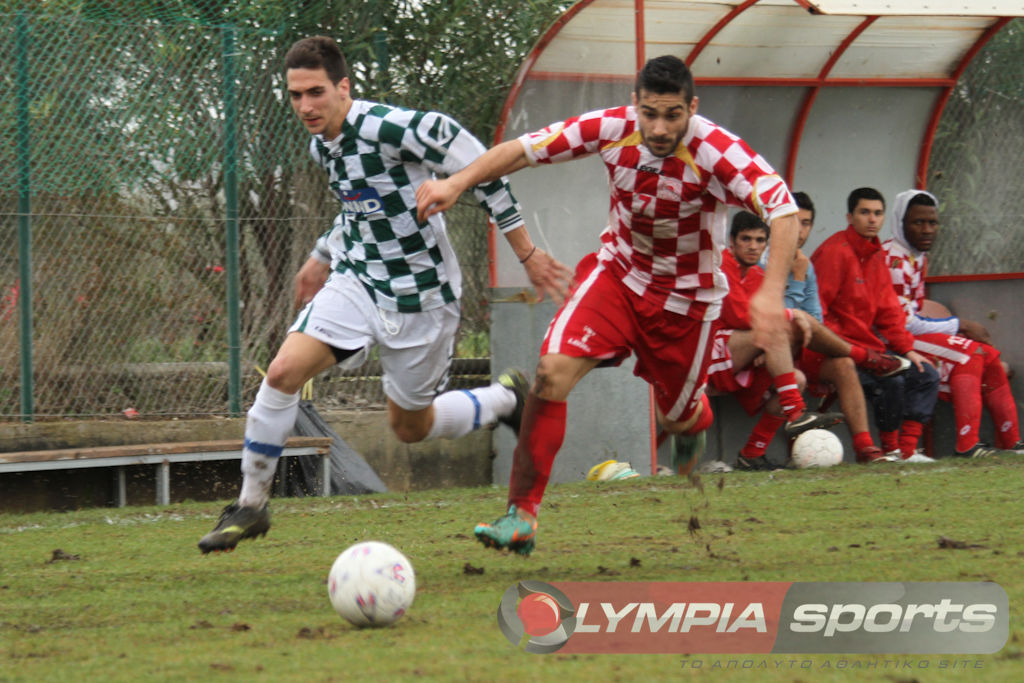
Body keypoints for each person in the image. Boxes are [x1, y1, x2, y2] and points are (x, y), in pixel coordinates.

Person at [198, 36, 571, 553]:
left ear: (344, 87)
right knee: (284, 371)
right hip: (358, 279)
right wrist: (323, 254)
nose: (305, 106)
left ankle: (506, 400)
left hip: (422, 293)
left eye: (316, 92)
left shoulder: (395, 127)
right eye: (295, 95)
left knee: (409, 428)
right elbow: (360, 206)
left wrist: (527, 253)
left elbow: (487, 173)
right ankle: (251, 505)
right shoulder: (320, 143)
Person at [417, 55, 802, 555]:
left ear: (693, 108)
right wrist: (455, 182)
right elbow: (522, 151)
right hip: (619, 276)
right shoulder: (611, 127)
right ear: (635, 104)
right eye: (649, 113)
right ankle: (522, 515)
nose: (659, 128)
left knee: (677, 418)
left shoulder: (716, 150)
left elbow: (783, 209)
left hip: (686, 304)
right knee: (551, 373)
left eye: (672, 115)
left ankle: (693, 421)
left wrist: (769, 293)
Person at [883, 190, 1023, 457]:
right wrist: (958, 325)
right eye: (918, 223)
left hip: (907, 335)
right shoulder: (895, 261)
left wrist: (954, 326)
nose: (927, 230)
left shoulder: (916, 256)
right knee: (971, 353)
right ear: (900, 223)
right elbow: (903, 324)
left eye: (932, 223)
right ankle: (967, 445)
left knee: (990, 356)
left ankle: (1011, 443)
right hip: (888, 341)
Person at [810, 187, 939, 461]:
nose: (872, 219)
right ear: (850, 216)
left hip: (869, 350)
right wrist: (849, 347)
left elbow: (888, 310)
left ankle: (905, 452)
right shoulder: (835, 252)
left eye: (877, 213)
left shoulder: (875, 254)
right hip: (837, 350)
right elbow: (816, 316)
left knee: (925, 374)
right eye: (864, 212)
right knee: (890, 381)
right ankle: (889, 449)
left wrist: (907, 349)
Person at [709, 212, 843, 471]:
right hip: (705, 355)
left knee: (798, 380)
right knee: (777, 326)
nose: (753, 246)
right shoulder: (720, 267)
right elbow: (738, 315)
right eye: (746, 239)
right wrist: (790, 316)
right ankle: (797, 413)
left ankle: (751, 453)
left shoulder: (759, 276)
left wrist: (765, 344)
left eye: (760, 240)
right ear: (732, 241)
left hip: (738, 356)